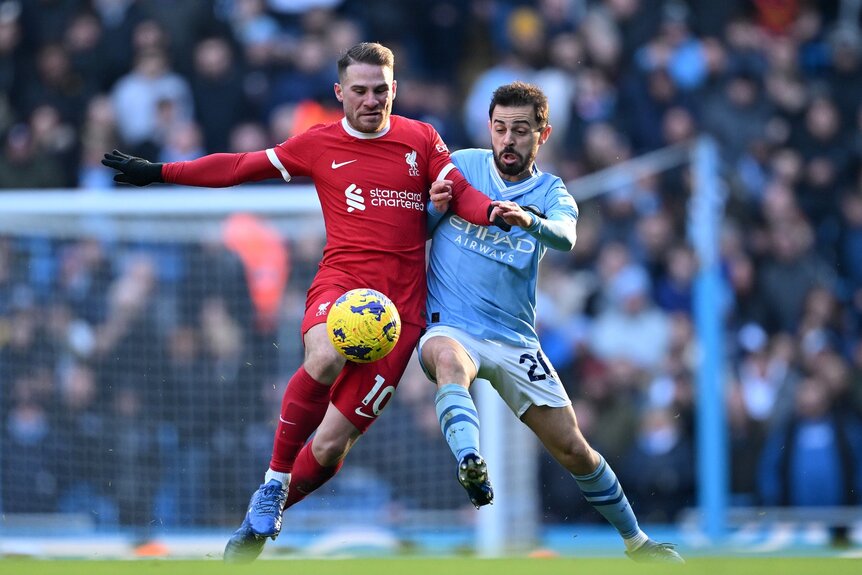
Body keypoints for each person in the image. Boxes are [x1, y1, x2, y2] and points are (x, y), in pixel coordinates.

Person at [102, 42, 521, 563]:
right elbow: (238, 167)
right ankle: (273, 485)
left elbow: (461, 192)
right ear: (339, 93)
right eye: (361, 91)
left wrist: (495, 213)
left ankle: (259, 525)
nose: (372, 101)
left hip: (400, 313)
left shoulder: (421, 139)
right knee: (323, 356)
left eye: (382, 90)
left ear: (395, 89)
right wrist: (161, 173)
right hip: (341, 284)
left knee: (328, 448)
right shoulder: (318, 143)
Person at [419, 81, 684, 563]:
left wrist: (530, 221)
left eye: (521, 130)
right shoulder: (462, 166)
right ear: (489, 129)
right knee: (446, 361)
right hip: (452, 324)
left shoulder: (551, 192)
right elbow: (414, 233)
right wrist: (431, 209)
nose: (508, 140)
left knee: (574, 450)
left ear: (543, 134)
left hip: (515, 339)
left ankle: (637, 542)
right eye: (500, 128)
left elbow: (566, 236)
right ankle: (470, 462)